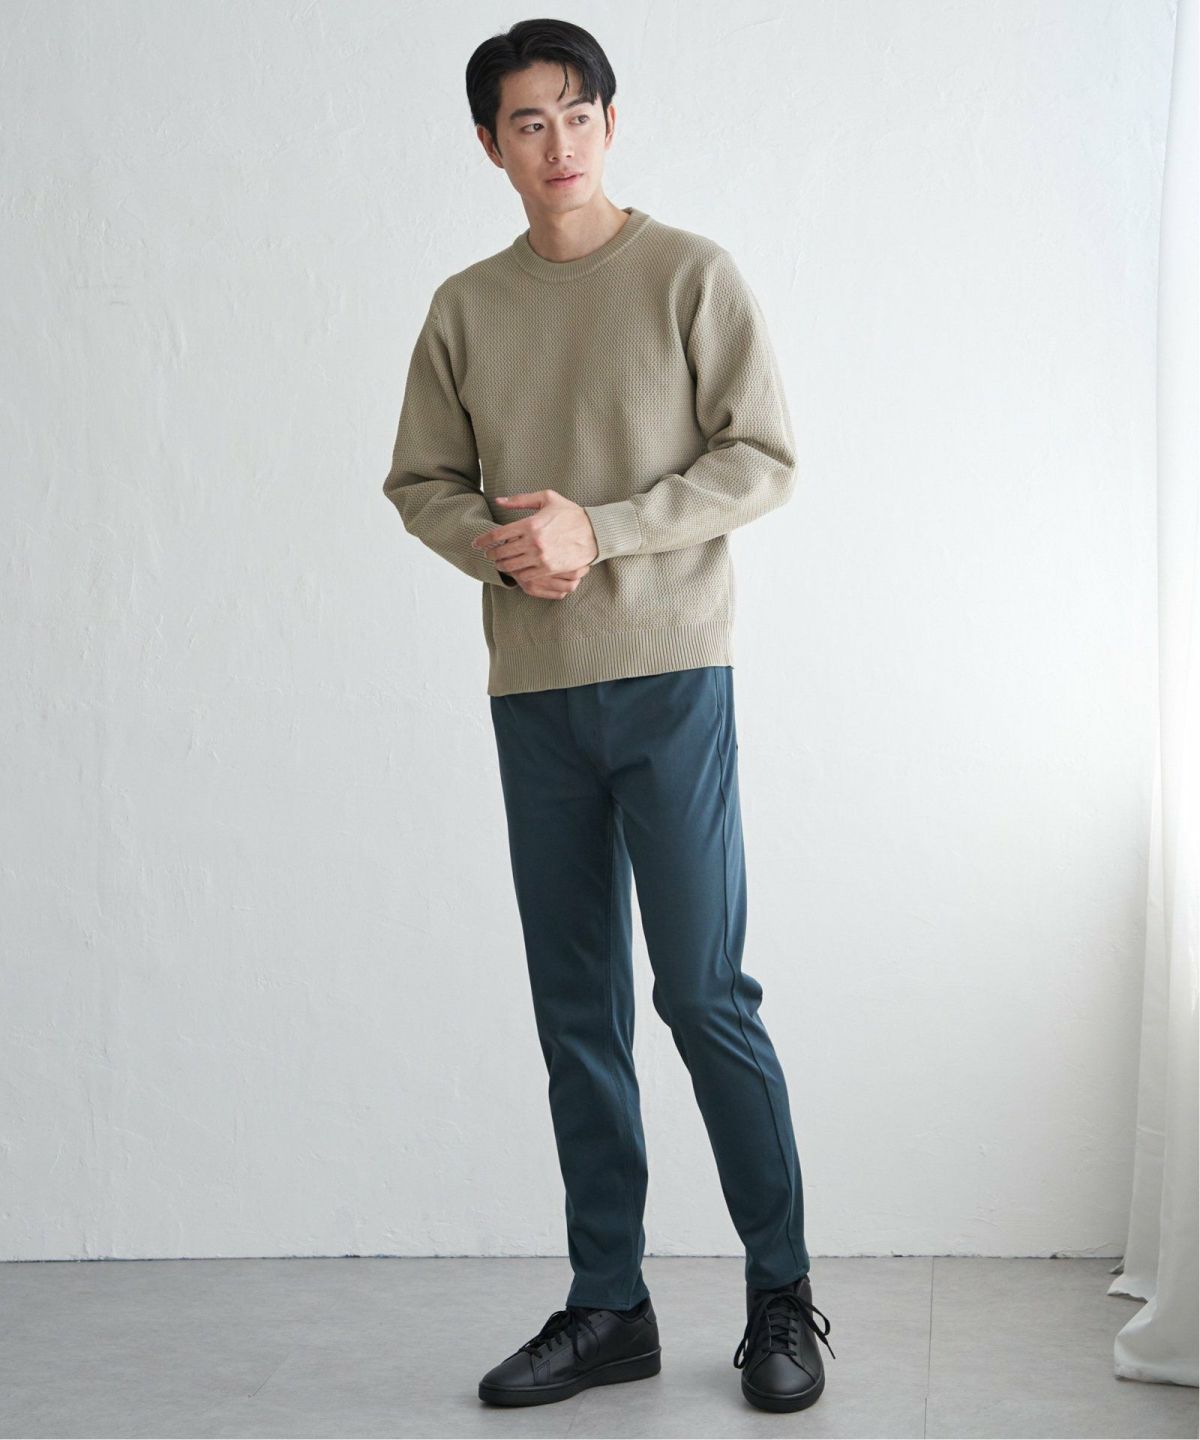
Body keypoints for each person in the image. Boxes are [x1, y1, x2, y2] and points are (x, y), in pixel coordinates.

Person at [381, 16, 836, 1415]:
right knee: (575, 1006)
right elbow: (420, 482)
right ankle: (608, 1305)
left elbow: (763, 457)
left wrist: (604, 528)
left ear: (611, 124)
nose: (558, 143)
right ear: (490, 145)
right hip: (535, 693)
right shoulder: (467, 307)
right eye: (528, 122)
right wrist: (500, 547)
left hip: (672, 677)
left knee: (703, 993)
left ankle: (781, 1294)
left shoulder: (689, 274)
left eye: (578, 114)